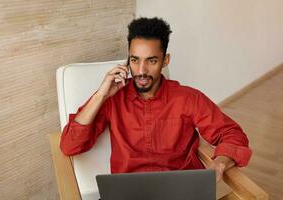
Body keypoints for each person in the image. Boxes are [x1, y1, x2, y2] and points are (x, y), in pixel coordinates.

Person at [60, 17, 252, 182]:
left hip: (181, 191)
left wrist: (218, 164)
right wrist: (100, 95)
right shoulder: (112, 98)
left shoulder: (188, 98)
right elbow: (70, 145)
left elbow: (233, 134)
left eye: (151, 61)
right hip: (128, 193)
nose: (141, 71)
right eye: (135, 60)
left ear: (165, 60)